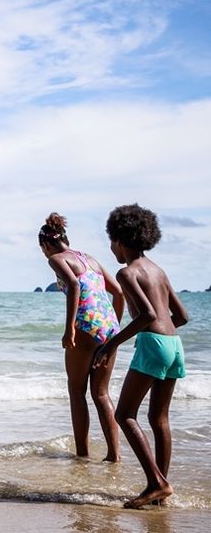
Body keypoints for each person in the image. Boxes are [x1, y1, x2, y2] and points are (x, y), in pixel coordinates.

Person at [94, 204, 189, 509]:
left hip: (153, 343)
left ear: (121, 239)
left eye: (112, 242)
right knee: (159, 418)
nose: (111, 249)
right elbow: (182, 315)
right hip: (174, 344)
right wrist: (163, 332)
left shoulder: (127, 272)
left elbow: (147, 314)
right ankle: (162, 487)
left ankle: (156, 483)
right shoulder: (158, 270)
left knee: (124, 414)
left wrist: (110, 344)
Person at [39, 212, 125, 461]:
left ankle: (82, 455)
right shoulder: (89, 258)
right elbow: (118, 292)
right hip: (108, 328)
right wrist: (114, 328)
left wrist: (70, 329)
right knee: (101, 394)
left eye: (43, 249)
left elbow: (74, 286)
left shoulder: (55, 259)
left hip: (85, 327)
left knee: (77, 391)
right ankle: (114, 456)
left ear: (46, 244)